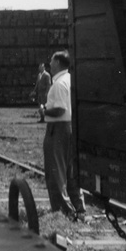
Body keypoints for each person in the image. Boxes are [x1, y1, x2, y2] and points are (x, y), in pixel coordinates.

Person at [41, 50, 86, 221]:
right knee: (71, 171)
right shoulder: (70, 79)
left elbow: (60, 109)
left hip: (58, 128)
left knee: (56, 171)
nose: (49, 65)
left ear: (58, 63)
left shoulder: (59, 84)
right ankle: (79, 208)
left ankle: (63, 211)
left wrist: (44, 110)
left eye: (51, 62)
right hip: (70, 127)